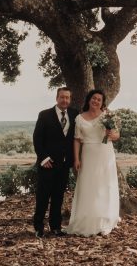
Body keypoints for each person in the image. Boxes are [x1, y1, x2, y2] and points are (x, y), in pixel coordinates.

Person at [65, 88, 121, 236]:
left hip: (105, 153)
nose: (96, 101)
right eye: (94, 98)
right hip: (88, 154)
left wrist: (111, 134)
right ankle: (86, 219)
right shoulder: (79, 118)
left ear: (102, 103)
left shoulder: (107, 116)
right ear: (89, 100)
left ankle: (105, 219)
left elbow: (116, 136)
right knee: (88, 185)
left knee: (104, 185)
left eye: (99, 100)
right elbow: (77, 139)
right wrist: (76, 158)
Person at [31, 86, 78, 237]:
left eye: (67, 98)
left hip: (64, 165)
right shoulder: (44, 115)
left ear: (70, 99)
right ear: (57, 98)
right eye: (62, 97)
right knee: (43, 196)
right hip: (48, 163)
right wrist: (43, 158)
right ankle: (38, 227)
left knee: (58, 196)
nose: (65, 100)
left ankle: (55, 227)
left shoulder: (74, 114)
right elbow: (37, 139)